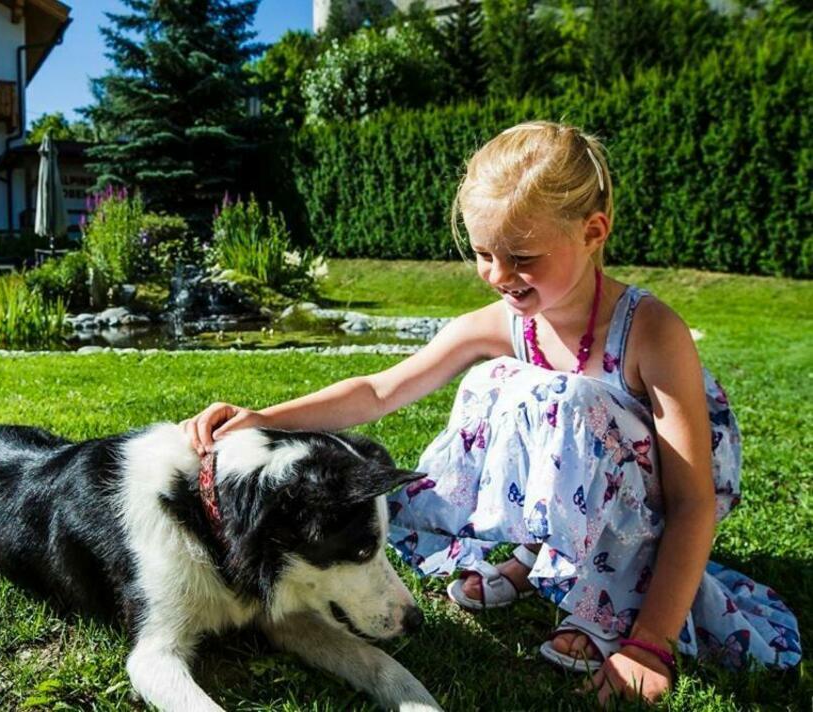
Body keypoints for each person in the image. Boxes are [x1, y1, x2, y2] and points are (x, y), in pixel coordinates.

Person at [181, 121, 801, 705]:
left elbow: (691, 502)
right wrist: (264, 418)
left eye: (522, 257)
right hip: (587, 495)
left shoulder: (651, 331)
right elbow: (379, 390)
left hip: (649, 507)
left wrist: (651, 643)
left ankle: (606, 598)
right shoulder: (507, 323)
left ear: (593, 232)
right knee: (500, 381)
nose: (499, 275)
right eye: (483, 253)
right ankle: (536, 560)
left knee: (563, 399)